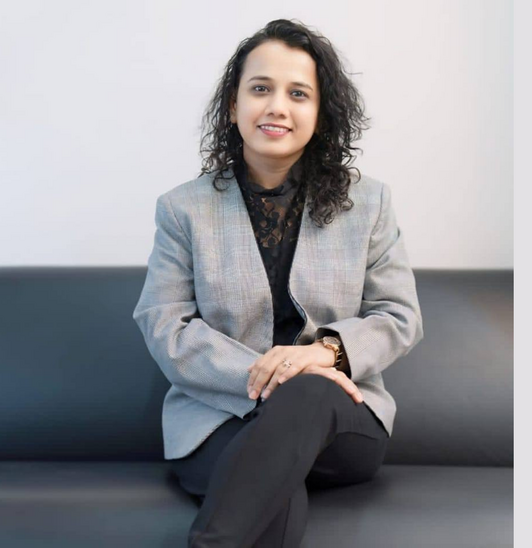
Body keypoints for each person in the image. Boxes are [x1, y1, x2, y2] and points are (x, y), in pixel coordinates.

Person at [133, 18, 424, 547]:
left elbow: (399, 317)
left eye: (298, 93)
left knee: (306, 398)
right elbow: (164, 325)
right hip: (218, 417)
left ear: (320, 113)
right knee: (268, 483)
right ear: (233, 106)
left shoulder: (369, 203)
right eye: (261, 89)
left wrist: (319, 357)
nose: (277, 107)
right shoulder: (182, 209)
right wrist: (268, 374)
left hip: (339, 418)